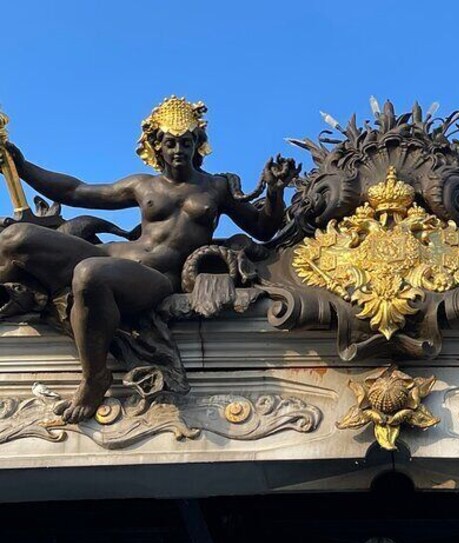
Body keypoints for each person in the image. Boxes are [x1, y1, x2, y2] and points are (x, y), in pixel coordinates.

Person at [0, 96, 299, 422]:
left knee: (89, 273)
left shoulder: (217, 187)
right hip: (110, 256)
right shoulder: (143, 185)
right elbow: (75, 191)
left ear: (198, 143)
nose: (178, 150)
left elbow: (263, 228)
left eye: (187, 142)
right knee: (16, 238)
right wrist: (21, 166)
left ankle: (94, 378)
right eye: (170, 142)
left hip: (155, 278)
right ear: (156, 145)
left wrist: (273, 192)